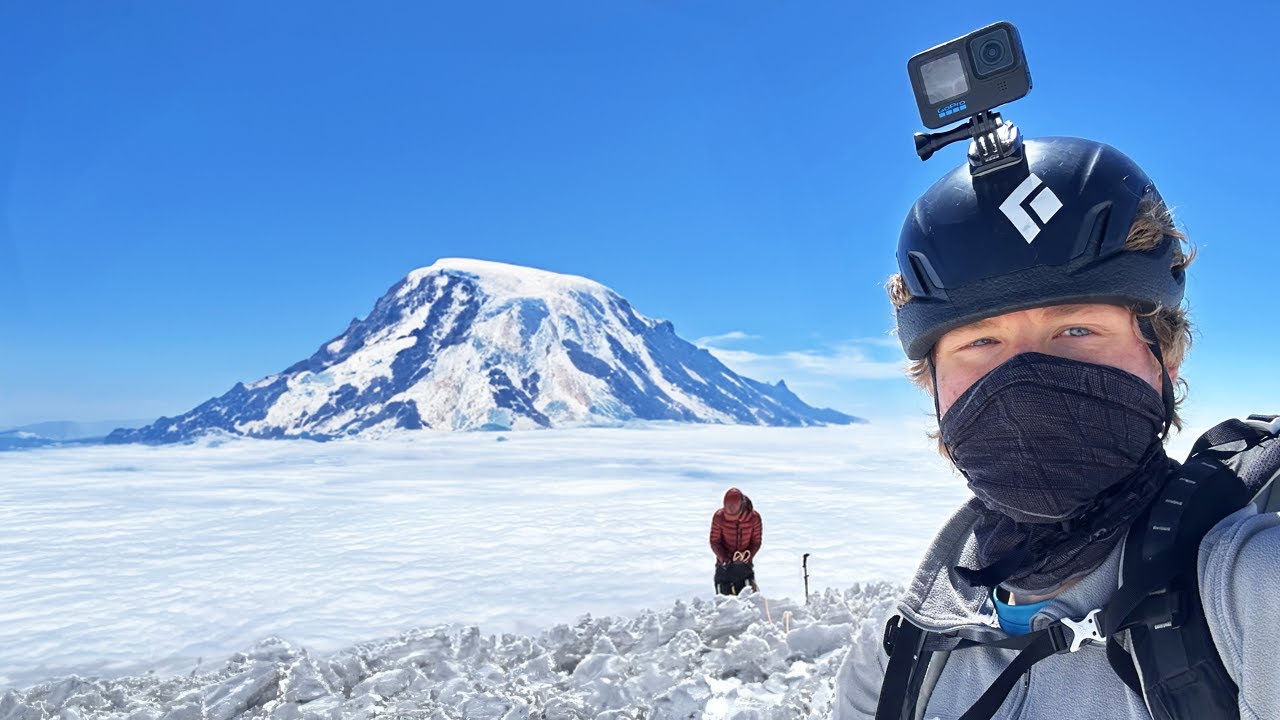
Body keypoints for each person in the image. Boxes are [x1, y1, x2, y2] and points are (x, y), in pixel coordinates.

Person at [834, 136, 1280, 719]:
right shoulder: (896, 657)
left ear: (1164, 359)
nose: (1023, 378)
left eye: (1076, 330)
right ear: (935, 388)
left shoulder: (1248, 595)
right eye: (982, 341)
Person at [710, 487, 762, 595]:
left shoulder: (754, 518)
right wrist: (724, 558)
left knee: (748, 600)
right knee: (725, 603)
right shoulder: (719, 517)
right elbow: (715, 541)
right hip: (723, 566)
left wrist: (747, 556)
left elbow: (755, 541)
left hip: (744, 565)